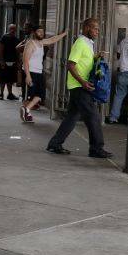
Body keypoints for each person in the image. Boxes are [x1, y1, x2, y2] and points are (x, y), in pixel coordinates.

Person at [46, 18, 112, 158]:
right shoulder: (80, 43)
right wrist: (82, 82)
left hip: (79, 86)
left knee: (72, 117)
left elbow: (84, 62)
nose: (97, 32)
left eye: (98, 29)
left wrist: (95, 57)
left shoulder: (87, 44)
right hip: (80, 87)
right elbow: (71, 64)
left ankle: (55, 144)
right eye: (95, 28)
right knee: (93, 117)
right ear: (87, 28)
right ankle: (96, 149)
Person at [20, 25, 67, 122]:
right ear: (34, 33)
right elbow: (25, 60)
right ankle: (27, 112)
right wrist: (28, 76)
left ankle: (26, 110)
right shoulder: (30, 44)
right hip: (31, 72)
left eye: (42, 32)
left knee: (40, 94)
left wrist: (64, 34)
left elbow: (53, 39)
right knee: (29, 95)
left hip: (38, 72)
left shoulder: (41, 42)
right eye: (39, 32)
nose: (41, 33)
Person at [106, 30, 128, 125]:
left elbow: (118, 55)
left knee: (118, 96)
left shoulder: (124, 41)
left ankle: (113, 118)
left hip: (122, 71)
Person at [0, 24, 20, 101]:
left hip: (13, 62)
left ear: (16, 30)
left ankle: (10, 94)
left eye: (14, 29)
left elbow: (17, 52)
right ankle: (1, 94)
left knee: (10, 79)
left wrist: (18, 61)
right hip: (4, 62)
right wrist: (2, 60)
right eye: (11, 28)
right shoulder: (4, 37)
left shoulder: (16, 39)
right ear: (8, 29)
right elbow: (0, 49)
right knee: (3, 79)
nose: (12, 30)